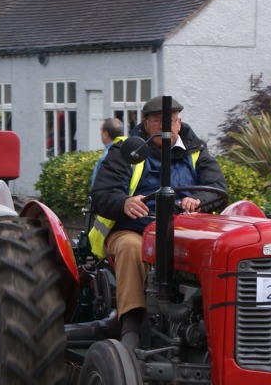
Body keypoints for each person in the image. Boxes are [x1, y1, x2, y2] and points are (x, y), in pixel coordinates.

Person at [89, 96, 227, 349]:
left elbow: (216, 188)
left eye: (171, 121)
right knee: (131, 248)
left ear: (179, 122)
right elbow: (102, 195)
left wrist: (199, 201)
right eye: (158, 122)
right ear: (145, 123)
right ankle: (130, 325)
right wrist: (124, 203)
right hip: (134, 228)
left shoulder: (196, 150)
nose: (166, 128)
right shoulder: (124, 150)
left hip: (185, 232)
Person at [90, 116, 124, 187]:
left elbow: (96, 183)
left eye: (101, 131)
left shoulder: (106, 156)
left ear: (105, 134)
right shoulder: (126, 152)